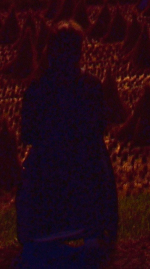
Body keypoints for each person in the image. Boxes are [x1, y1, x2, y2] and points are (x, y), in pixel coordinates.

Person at [16, 20, 118, 266]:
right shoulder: (92, 86)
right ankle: (95, 230)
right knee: (98, 154)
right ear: (80, 53)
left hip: (47, 176)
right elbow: (100, 128)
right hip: (87, 175)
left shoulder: (36, 90)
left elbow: (28, 135)